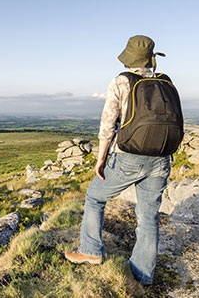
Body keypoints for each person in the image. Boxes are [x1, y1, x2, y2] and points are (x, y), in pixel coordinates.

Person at [64, 35, 174, 285]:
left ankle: (90, 251)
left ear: (128, 59)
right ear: (150, 59)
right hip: (161, 158)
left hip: (129, 157)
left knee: (94, 197)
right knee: (148, 216)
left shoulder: (121, 82)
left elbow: (107, 126)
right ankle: (143, 274)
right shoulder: (165, 82)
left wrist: (100, 159)